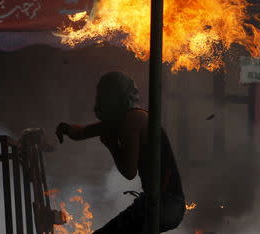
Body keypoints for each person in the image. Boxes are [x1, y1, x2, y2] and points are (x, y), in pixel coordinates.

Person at [55, 72, 185, 233]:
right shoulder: (128, 117)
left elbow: (129, 172)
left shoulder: (131, 121)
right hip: (163, 204)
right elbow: (83, 132)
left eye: (103, 96)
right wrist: (66, 129)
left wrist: (112, 146)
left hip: (163, 204)